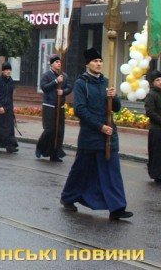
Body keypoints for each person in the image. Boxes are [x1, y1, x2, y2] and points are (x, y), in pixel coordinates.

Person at [60, 48, 132, 220]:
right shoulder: (81, 84)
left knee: (112, 172)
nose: (99, 64)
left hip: (109, 135)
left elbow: (116, 108)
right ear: (88, 64)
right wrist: (100, 127)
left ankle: (117, 208)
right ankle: (68, 197)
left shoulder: (106, 82)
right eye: (95, 61)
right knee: (81, 170)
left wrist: (114, 97)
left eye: (100, 61)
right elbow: (80, 110)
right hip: (90, 136)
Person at [36, 54, 73, 162]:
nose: (59, 63)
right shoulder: (46, 75)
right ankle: (40, 148)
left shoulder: (64, 75)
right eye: (56, 62)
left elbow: (69, 87)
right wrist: (56, 82)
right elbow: (44, 87)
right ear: (51, 64)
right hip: (49, 106)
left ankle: (55, 154)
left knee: (59, 131)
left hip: (60, 106)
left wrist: (63, 91)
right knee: (50, 130)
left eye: (59, 62)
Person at [144, 70, 161, 183]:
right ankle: (157, 175)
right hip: (156, 129)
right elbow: (150, 112)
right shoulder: (151, 95)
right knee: (157, 153)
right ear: (152, 82)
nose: (160, 82)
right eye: (157, 80)